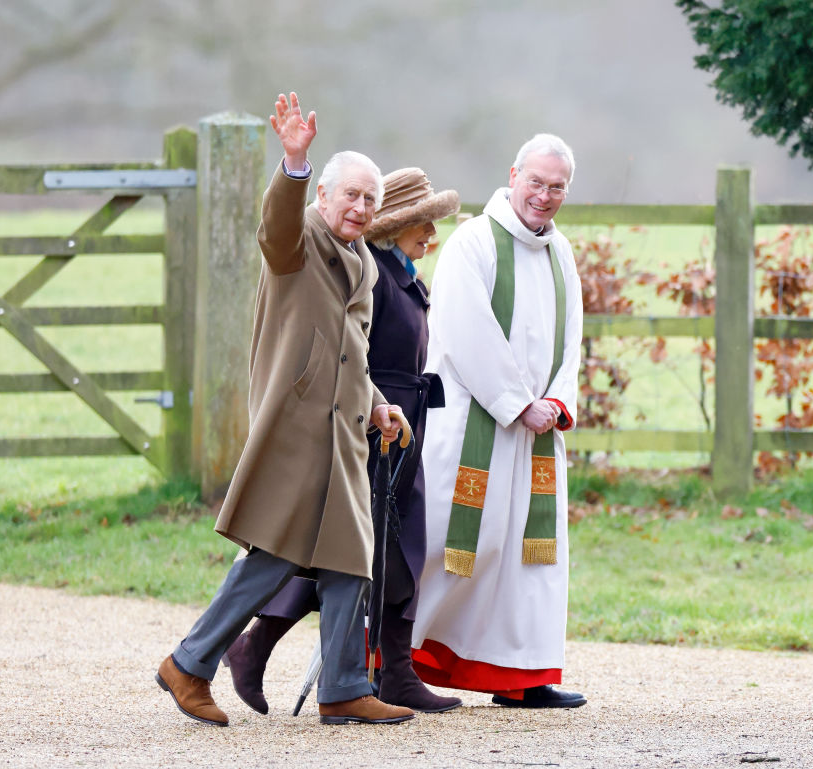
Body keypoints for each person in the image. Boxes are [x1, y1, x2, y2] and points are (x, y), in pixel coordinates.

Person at [155, 92, 414, 727]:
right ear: (323, 196)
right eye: (349, 194)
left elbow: (348, 354)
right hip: (299, 435)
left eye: (369, 200)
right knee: (273, 556)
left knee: (350, 559)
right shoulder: (295, 249)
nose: (359, 207)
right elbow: (275, 225)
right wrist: (293, 163)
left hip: (345, 439)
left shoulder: (364, 266)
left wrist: (379, 406)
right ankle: (189, 664)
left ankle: (343, 687)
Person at [223, 168, 464, 714]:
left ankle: (282, 655)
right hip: (369, 430)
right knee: (349, 551)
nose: (431, 235)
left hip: (398, 424)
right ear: (394, 227)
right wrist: (372, 410)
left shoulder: (396, 273)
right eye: (422, 225)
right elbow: (349, 354)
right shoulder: (369, 272)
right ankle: (360, 669)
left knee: (372, 551)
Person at [409, 134, 587, 709]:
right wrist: (517, 402)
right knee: (454, 543)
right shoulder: (473, 243)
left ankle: (522, 675)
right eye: (536, 182)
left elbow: (572, 341)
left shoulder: (562, 254)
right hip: (474, 428)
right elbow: (465, 333)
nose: (545, 195)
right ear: (514, 175)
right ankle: (396, 661)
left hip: (537, 435)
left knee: (532, 553)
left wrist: (557, 403)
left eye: (557, 187)